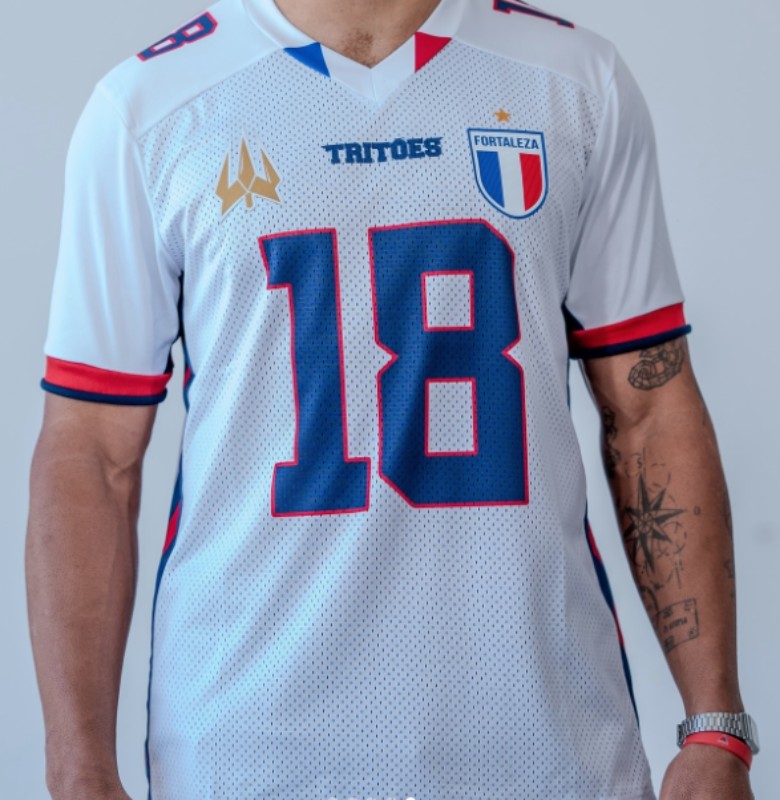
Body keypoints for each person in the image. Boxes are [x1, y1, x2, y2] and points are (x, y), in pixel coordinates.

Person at [26, 0, 758, 797]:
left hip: (546, 745)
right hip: (247, 750)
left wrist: (716, 723)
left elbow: (650, 408)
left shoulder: (574, 82)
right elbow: (90, 453)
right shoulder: (150, 108)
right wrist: (78, 767)